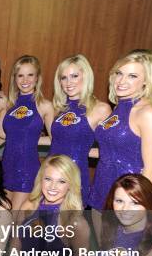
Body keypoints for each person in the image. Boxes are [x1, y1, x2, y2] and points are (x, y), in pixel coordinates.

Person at [89, 50, 152, 216]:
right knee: (103, 241)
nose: (121, 81)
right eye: (119, 73)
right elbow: (111, 150)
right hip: (102, 186)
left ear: (146, 81)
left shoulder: (147, 113)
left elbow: (151, 167)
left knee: (119, 242)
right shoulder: (118, 108)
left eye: (132, 76)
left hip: (126, 196)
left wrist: (137, 205)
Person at [45, 54, 111, 206]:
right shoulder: (58, 108)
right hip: (50, 173)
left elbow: (112, 150)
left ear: (86, 77)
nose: (68, 82)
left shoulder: (100, 109)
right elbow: (56, 141)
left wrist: (80, 151)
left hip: (75, 175)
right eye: (63, 78)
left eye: (74, 76)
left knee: (69, 225)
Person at [0, 55, 54, 211]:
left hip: (27, 169)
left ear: (37, 78)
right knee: (3, 217)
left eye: (30, 75)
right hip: (7, 166)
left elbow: (55, 139)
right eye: (20, 75)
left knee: (17, 219)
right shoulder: (9, 105)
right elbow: (3, 135)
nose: (25, 80)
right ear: (15, 79)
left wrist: (30, 140)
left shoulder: (44, 105)